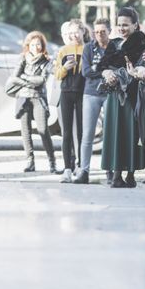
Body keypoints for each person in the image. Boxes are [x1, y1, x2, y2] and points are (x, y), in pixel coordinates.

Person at [99, 7, 145, 188]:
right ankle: (116, 173)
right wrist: (107, 73)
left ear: (135, 25)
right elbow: (102, 66)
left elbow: (141, 68)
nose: (122, 28)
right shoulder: (114, 43)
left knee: (130, 132)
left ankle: (130, 174)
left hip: (132, 95)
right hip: (114, 94)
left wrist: (131, 72)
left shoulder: (142, 43)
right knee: (115, 133)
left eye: (126, 25)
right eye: (119, 25)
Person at [10, 31, 57, 173]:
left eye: (38, 44)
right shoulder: (23, 58)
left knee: (43, 130)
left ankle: (52, 163)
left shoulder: (46, 61)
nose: (35, 47)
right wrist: (30, 80)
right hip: (23, 98)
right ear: (28, 46)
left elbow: (41, 80)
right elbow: (14, 78)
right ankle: (30, 162)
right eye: (33, 44)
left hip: (38, 98)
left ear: (42, 45)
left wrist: (24, 78)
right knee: (26, 132)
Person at [73, 18, 111, 184]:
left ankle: (110, 170)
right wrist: (104, 71)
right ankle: (84, 171)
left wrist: (101, 69)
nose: (99, 35)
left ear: (109, 31)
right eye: (96, 32)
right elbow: (86, 71)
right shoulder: (89, 47)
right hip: (91, 94)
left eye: (103, 31)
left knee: (110, 134)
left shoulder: (114, 47)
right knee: (87, 135)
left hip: (109, 93)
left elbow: (116, 68)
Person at [54, 19, 86, 183]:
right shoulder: (63, 50)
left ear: (83, 32)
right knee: (66, 132)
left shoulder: (88, 49)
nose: (74, 35)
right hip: (66, 92)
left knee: (81, 132)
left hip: (82, 92)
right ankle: (67, 168)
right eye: (71, 32)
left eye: (77, 31)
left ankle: (81, 166)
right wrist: (65, 68)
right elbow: (57, 74)